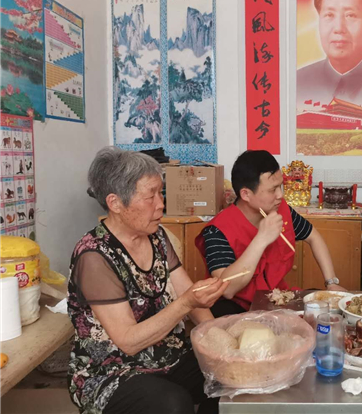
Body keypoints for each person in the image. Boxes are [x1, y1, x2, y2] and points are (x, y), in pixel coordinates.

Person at [67, 147, 228, 414]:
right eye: (150, 196)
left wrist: (222, 344)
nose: (160, 204)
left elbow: (189, 294)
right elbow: (128, 341)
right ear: (115, 203)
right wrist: (187, 303)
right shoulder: (94, 255)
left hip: (167, 355)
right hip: (113, 369)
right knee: (173, 403)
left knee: (228, 377)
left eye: (160, 193)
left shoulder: (157, 237)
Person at [196, 150, 344, 316]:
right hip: (237, 308)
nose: (280, 195)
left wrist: (331, 282)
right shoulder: (218, 230)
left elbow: (313, 237)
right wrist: (261, 239)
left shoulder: (280, 210)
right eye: (273, 189)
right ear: (246, 194)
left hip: (274, 299)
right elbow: (227, 289)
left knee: (322, 308)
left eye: (280, 186)